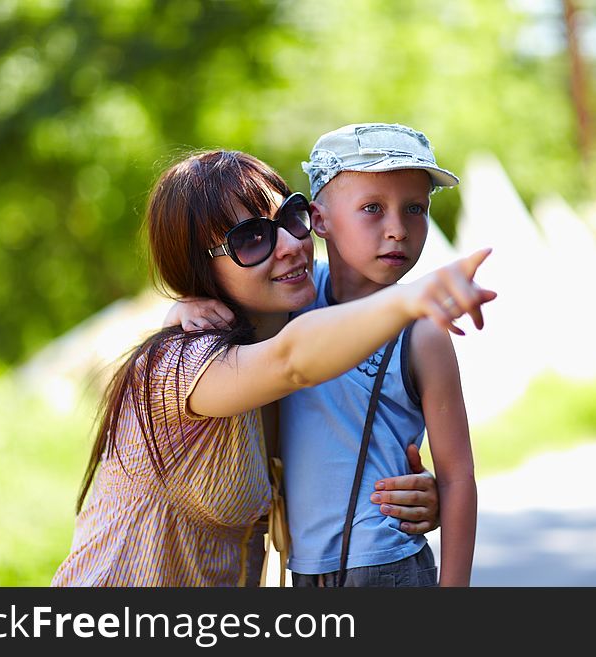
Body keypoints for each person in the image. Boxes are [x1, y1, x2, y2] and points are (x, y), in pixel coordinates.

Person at [52, 148, 495, 586]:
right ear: (199, 270)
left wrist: (426, 499)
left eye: (291, 218)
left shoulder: (291, 320)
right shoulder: (179, 363)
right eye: (251, 239)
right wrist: (414, 296)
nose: (290, 246)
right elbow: (292, 362)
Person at [173, 124, 481, 587]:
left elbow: (458, 477)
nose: (397, 229)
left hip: (385, 563)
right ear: (319, 220)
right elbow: (236, 318)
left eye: (415, 208)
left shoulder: (423, 332)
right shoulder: (295, 297)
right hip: (305, 569)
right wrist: (182, 306)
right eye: (372, 208)